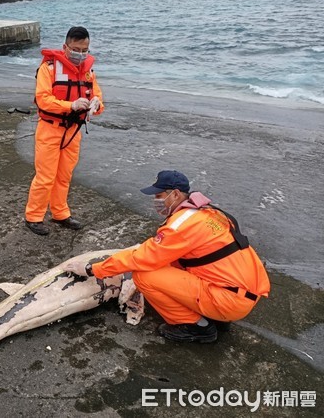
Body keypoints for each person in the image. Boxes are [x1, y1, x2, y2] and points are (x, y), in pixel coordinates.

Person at [64, 170, 270, 343]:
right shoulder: (209, 214)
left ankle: (198, 327)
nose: (156, 201)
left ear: (176, 194)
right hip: (243, 292)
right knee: (167, 264)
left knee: (144, 276)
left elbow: (143, 258)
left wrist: (93, 269)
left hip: (228, 300)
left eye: (159, 195)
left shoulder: (182, 224)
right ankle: (214, 314)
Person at [24, 26, 104, 236]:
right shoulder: (48, 68)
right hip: (50, 129)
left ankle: (60, 213)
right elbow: (43, 99)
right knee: (45, 176)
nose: (80, 54)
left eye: (84, 50)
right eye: (76, 49)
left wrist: (96, 104)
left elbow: (97, 97)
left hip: (73, 131)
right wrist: (70, 106)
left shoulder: (88, 71)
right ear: (65, 47)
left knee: (64, 175)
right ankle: (33, 216)